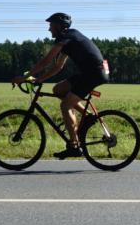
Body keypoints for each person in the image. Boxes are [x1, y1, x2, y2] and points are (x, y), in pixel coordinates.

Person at [12, 13, 108, 159]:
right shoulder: (67, 40)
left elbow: (46, 61)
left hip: (94, 74)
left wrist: (24, 77)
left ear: (58, 26)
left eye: (51, 25)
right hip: (91, 72)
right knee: (58, 90)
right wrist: (39, 79)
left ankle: (74, 146)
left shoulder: (67, 37)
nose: (49, 29)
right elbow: (57, 66)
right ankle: (88, 116)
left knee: (65, 106)